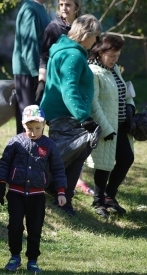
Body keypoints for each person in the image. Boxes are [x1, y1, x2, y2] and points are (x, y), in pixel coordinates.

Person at [40, 14, 102, 215]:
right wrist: (84, 117)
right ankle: (64, 201)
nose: (97, 42)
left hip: (59, 112)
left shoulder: (63, 48)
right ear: (87, 34)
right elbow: (69, 90)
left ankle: (53, 189)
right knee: (75, 157)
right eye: (96, 36)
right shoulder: (73, 55)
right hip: (66, 114)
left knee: (64, 156)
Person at [0, 105, 67, 274]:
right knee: (15, 225)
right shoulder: (15, 142)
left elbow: (57, 168)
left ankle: (33, 260)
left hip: (37, 195)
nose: (33, 132)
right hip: (16, 193)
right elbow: (4, 164)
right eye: (29, 128)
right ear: (22, 125)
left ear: (44, 125)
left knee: (35, 228)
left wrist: (61, 191)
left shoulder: (49, 145)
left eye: (37, 128)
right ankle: (14, 256)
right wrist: (1, 186)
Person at [38, 0, 92, 196]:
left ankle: (70, 180)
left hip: (81, 88)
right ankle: (54, 182)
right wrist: (42, 81)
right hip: (59, 89)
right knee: (62, 141)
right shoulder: (54, 27)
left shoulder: (84, 25)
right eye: (60, 4)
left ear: (77, 7)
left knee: (79, 141)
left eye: (68, 5)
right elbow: (45, 56)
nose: (63, 9)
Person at [86, 35, 135, 218]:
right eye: (112, 56)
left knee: (126, 158)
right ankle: (99, 202)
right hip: (106, 126)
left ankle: (109, 196)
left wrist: (130, 106)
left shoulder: (114, 69)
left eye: (117, 56)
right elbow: (93, 103)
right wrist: (105, 129)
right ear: (100, 52)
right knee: (104, 164)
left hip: (121, 124)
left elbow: (125, 91)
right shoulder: (93, 72)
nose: (115, 60)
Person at [12, 0, 55, 134]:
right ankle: (23, 155)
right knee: (29, 120)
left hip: (36, 73)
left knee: (35, 120)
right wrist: (37, 77)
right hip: (29, 74)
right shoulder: (30, 10)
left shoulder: (39, 8)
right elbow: (29, 48)